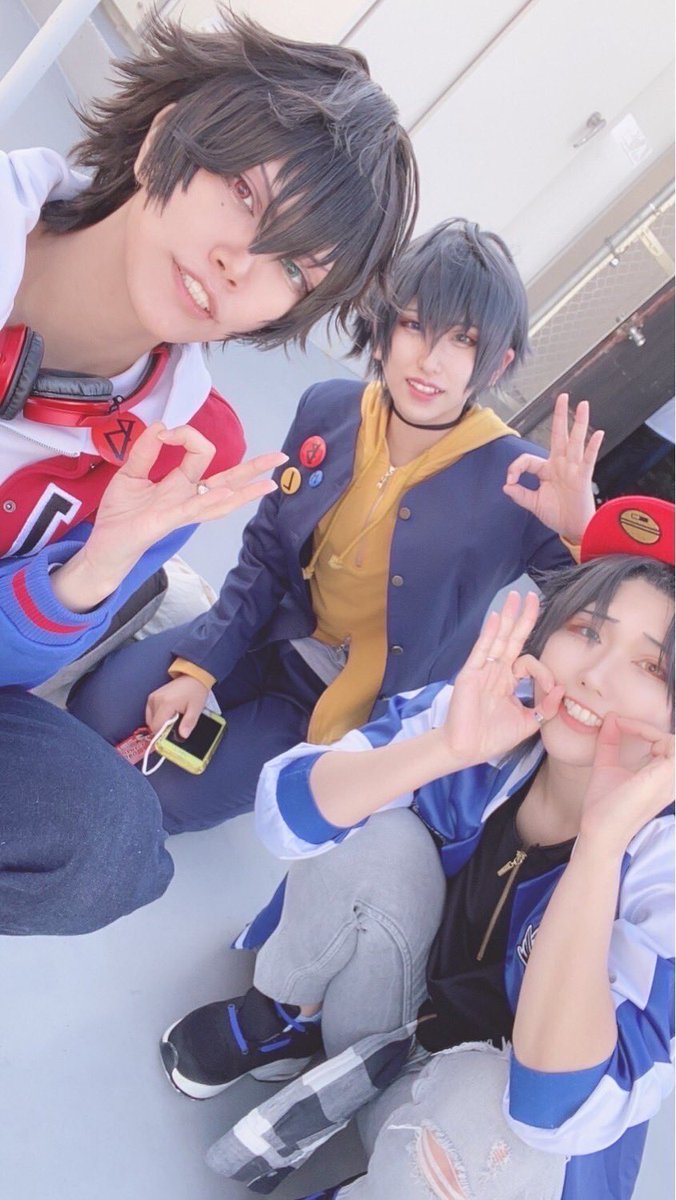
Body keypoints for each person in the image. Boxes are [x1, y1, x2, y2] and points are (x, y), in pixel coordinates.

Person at [0, 11, 418, 935]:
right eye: (242, 193)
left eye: (293, 268)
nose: (239, 265)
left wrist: (89, 573)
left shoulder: (189, 448)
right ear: (165, 138)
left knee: (108, 844)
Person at [160, 495, 675, 1200]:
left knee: (505, 1142)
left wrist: (601, 846)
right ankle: (289, 1020)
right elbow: (287, 812)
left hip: (467, 1133)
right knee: (374, 824)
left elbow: (555, 1111)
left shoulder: (663, 873)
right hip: (378, 1015)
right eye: (587, 630)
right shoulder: (494, 715)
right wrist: (444, 750)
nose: (594, 675)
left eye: (651, 668)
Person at [70, 219, 601, 835]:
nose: (430, 359)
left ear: (496, 363)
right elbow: (267, 554)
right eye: (414, 324)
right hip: (266, 633)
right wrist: (199, 669)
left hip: (341, 700)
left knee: (164, 799)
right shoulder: (329, 407)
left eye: (463, 339)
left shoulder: (516, 476)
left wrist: (580, 532)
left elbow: (595, 614)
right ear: (382, 328)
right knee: (96, 707)